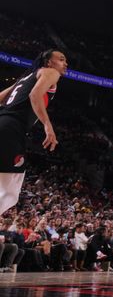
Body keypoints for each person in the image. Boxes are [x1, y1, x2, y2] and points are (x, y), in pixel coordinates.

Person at [0, 49, 66, 215]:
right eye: (61, 59)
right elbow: (35, 94)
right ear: (49, 62)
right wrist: (47, 125)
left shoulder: (25, 78)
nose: (65, 63)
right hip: (11, 129)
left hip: (4, 122)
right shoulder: (51, 72)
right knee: (10, 191)